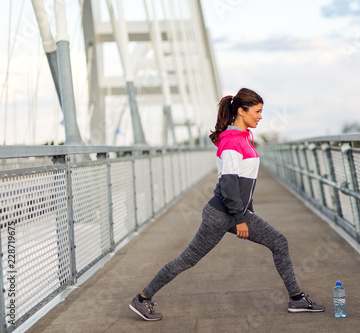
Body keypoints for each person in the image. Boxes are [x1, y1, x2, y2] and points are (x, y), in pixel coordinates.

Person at [129, 88, 325, 321]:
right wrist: (241, 219)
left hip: (230, 212)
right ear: (241, 111)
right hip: (223, 213)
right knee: (188, 259)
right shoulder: (232, 141)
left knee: (277, 242)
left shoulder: (242, 138)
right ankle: (142, 299)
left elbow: (242, 182)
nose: (260, 116)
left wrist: (246, 211)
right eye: (257, 111)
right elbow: (229, 184)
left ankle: (296, 298)